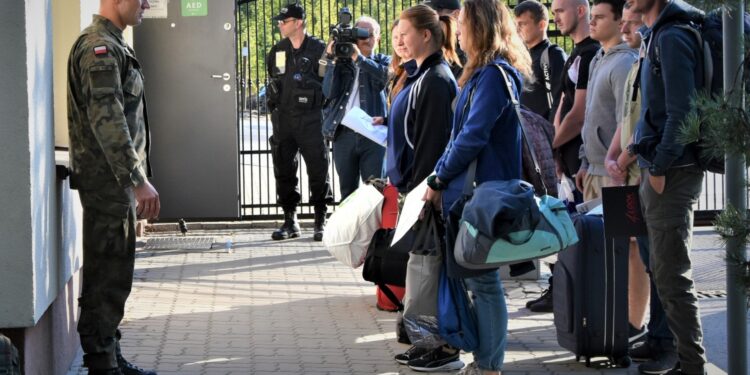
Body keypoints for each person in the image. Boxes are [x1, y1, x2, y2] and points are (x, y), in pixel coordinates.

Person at [424, 1, 532, 373]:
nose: (458, 29)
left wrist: (439, 177)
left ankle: (488, 365)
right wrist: (439, 174)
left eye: (464, 22)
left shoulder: (492, 76)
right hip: (476, 193)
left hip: (482, 196)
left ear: (480, 27)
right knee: (481, 283)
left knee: (485, 284)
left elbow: (471, 137)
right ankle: (485, 362)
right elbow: (462, 136)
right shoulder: (486, 74)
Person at [66, 0, 159, 374]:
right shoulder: (98, 47)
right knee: (108, 276)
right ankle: (102, 364)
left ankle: (109, 354)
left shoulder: (113, 42)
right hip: (108, 184)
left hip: (112, 184)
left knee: (113, 274)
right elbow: (109, 120)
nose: (147, 4)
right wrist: (137, 180)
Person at [628, 0, 708, 373]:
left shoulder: (672, 37)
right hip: (657, 168)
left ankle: (692, 365)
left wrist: (659, 164)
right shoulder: (656, 35)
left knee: (672, 273)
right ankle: (679, 355)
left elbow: (682, 111)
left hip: (673, 172)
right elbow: (656, 110)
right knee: (662, 269)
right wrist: (635, 149)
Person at [386, 4, 462, 372]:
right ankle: (424, 342)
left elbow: (432, 145)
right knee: (420, 272)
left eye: (405, 31)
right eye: (395, 32)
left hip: (426, 194)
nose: (399, 38)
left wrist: (422, 194)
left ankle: (439, 347)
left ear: (426, 35)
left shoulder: (435, 80)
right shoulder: (419, 77)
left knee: (429, 274)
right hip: (416, 190)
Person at [604, 4, 677, 373]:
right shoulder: (637, 63)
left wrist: (629, 155)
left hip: (646, 170)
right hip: (631, 173)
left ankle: (669, 342)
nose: (629, 26)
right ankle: (656, 335)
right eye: (627, 22)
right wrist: (614, 154)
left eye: (633, 21)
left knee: (662, 264)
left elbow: (654, 117)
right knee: (648, 261)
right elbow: (626, 117)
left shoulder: (651, 56)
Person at [525, 0, 599, 313]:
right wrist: (553, 149)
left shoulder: (590, 52)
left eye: (560, 11)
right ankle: (562, 290)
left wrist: (551, 143)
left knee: (581, 232)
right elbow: (562, 106)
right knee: (563, 227)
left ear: (581, 10)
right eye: (553, 12)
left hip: (583, 160)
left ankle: (580, 296)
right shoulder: (575, 53)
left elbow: (578, 113)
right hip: (564, 160)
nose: (556, 17)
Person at [265, 3, 332, 241]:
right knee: (283, 169)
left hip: (311, 118)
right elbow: (273, 79)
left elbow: (329, 83)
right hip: (284, 119)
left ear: (299, 23)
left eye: (285, 21)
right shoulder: (278, 50)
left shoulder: (319, 49)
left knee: (317, 168)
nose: (280, 25)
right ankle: (289, 221)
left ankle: (320, 220)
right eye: (280, 21)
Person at [322, 16, 390, 200]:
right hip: (343, 134)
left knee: (375, 192)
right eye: (360, 35)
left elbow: (385, 78)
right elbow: (328, 92)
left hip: (373, 134)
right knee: (348, 193)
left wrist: (359, 59)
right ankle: (350, 230)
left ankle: (377, 230)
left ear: (378, 37)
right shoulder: (342, 64)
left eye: (370, 35)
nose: (365, 39)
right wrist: (332, 60)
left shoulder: (384, 61)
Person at [576, 0, 637, 200]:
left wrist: (617, 168)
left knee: (616, 233)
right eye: (591, 16)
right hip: (594, 172)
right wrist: (586, 163)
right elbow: (589, 115)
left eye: (600, 17)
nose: (591, 22)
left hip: (615, 175)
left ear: (620, 22)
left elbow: (627, 121)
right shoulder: (597, 58)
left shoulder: (625, 63)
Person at [513, 0, 567, 121]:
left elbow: (559, 101)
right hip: (525, 134)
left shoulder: (553, 55)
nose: (517, 30)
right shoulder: (522, 57)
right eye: (516, 25)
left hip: (544, 134)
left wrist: (553, 134)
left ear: (542, 25)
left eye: (522, 24)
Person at [422, 0, 465, 77]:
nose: (428, 20)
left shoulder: (463, 56)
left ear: (456, 14)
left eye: (435, 13)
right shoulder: (426, 49)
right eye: (426, 14)